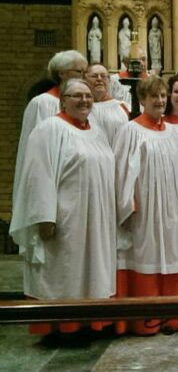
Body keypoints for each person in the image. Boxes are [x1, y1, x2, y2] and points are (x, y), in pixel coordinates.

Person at [11, 78, 116, 336]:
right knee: (66, 272)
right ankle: (62, 326)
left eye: (88, 96)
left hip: (96, 219)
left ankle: (90, 323)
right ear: (63, 100)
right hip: (65, 219)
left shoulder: (97, 129)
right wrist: (45, 217)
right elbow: (38, 175)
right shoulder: (49, 129)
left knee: (92, 273)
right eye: (76, 96)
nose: (84, 100)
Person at [113, 76, 178, 335]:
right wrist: (128, 203)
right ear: (142, 100)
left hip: (171, 208)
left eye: (163, 96)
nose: (159, 101)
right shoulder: (131, 131)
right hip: (145, 208)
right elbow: (122, 170)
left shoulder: (172, 133)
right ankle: (147, 321)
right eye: (153, 96)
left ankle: (174, 318)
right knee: (148, 256)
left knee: (172, 255)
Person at [14, 50, 87, 208]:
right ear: (61, 73)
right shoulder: (42, 104)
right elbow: (37, 152)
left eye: (85, 72)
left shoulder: (84, 106)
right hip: (51, 181)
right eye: (79, 71)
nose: (83, 76)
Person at [84, 63, 130, 147]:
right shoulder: (80, 108)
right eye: (94, 76)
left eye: (103, 76)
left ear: (109, 80)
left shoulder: (124, 107)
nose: (99, 79)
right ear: (85, 80)